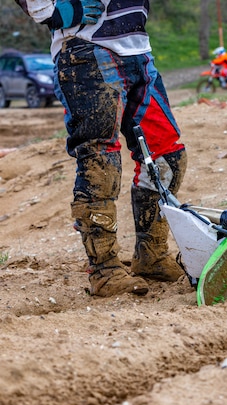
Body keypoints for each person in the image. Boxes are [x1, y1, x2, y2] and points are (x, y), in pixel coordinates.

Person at [14, 0, 187, 297]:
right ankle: (104, 269)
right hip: (85, 48)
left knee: (168, 156)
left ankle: (152, 256)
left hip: (138, 49)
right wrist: (46, 9)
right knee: (100, 159)